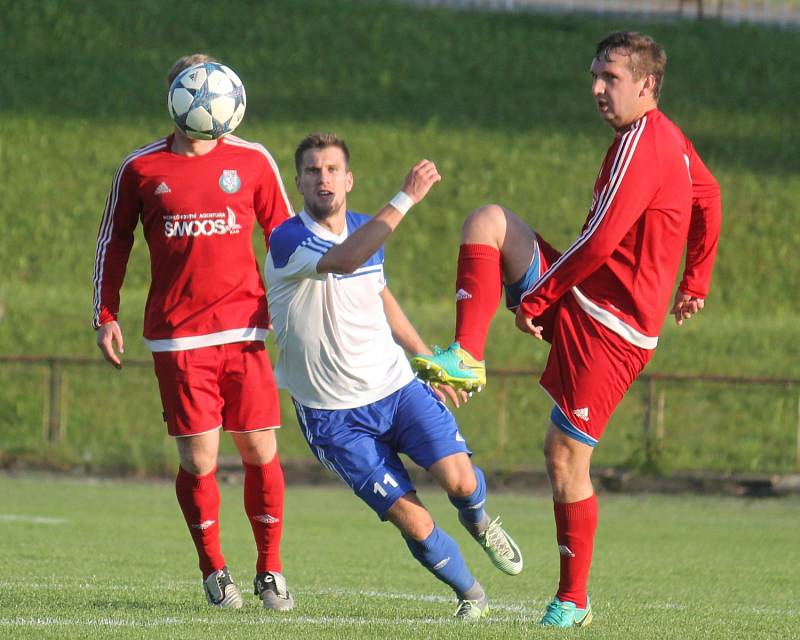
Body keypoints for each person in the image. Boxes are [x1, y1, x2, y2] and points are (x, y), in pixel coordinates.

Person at [411, 31, 722, 627]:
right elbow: (710, 196)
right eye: (595, 76)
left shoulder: (647, 142)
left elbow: (603, 237)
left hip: (613, 328)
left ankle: (573, 601)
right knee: (489, 222)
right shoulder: (671, 142)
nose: (598, 89)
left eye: (611, 78)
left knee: (563, 458)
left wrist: (541, 296)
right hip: (583, 296)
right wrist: (697, 281)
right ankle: (467, 356)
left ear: (647, 85)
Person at [264, 133, 524, 620]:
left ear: (349, 179)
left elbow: (378, 296)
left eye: (332, 169)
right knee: (411, 518)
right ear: (298, 181)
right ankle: (472, 595)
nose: (324, 178)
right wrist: (407, 197)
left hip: (397, 389)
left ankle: (481, 521)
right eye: (313, 170)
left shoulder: (368, 232)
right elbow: (344, 261)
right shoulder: (288, 239)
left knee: (461, 482)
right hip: (333, 417)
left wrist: (428, 360)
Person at [91, 54, 295, 612]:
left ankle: (270, 569)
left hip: (246, 329)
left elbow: (286, 239)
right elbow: (116, 242)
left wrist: (303, 307)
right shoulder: (141, 168)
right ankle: (214, 569)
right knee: (201, 460)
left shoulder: (253, 160)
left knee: (260, 449)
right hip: (180, 338)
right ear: (177, 95)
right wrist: (105, 313)